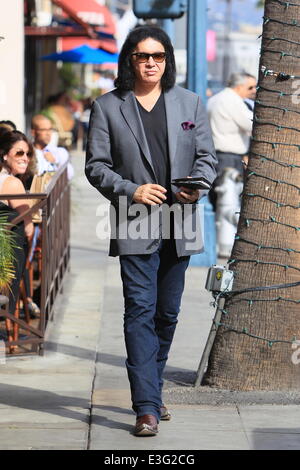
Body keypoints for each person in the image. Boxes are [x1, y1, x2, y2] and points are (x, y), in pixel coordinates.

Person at [85, 25, 217, 437]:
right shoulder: (108, 107)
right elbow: (96, 166)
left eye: (158, 56)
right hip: (135, 220)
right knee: (139, 310)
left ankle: (152, 390)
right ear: (130, 59)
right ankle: (145, 407)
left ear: (167, 60)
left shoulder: (191, 103)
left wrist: (196, 186)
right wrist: (131, 189)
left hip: (181, 221)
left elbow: (208, 159)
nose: (151, 63)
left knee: (167, 313)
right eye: (143, 56)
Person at [0, 128, 34, 318]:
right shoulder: (12, 184)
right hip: (7, 263)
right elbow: (28, 229)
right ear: (5, 155)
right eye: (19, 153)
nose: (25, 158)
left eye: (28, 153)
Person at [207, 72, 256, 182]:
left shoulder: (216, 98)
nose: (254, 90)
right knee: (228, 195)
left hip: (218, 155)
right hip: (228, 158)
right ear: (239, 87)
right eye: (250, 87)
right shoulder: (232, 100)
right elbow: (252, 124)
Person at [31, 114, 74, 180]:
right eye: (44, 130)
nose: (48, 133)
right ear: (33, 132)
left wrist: (56, 162)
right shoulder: (28, 153)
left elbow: (70, 175)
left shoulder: (60, 152)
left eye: (50, 129)